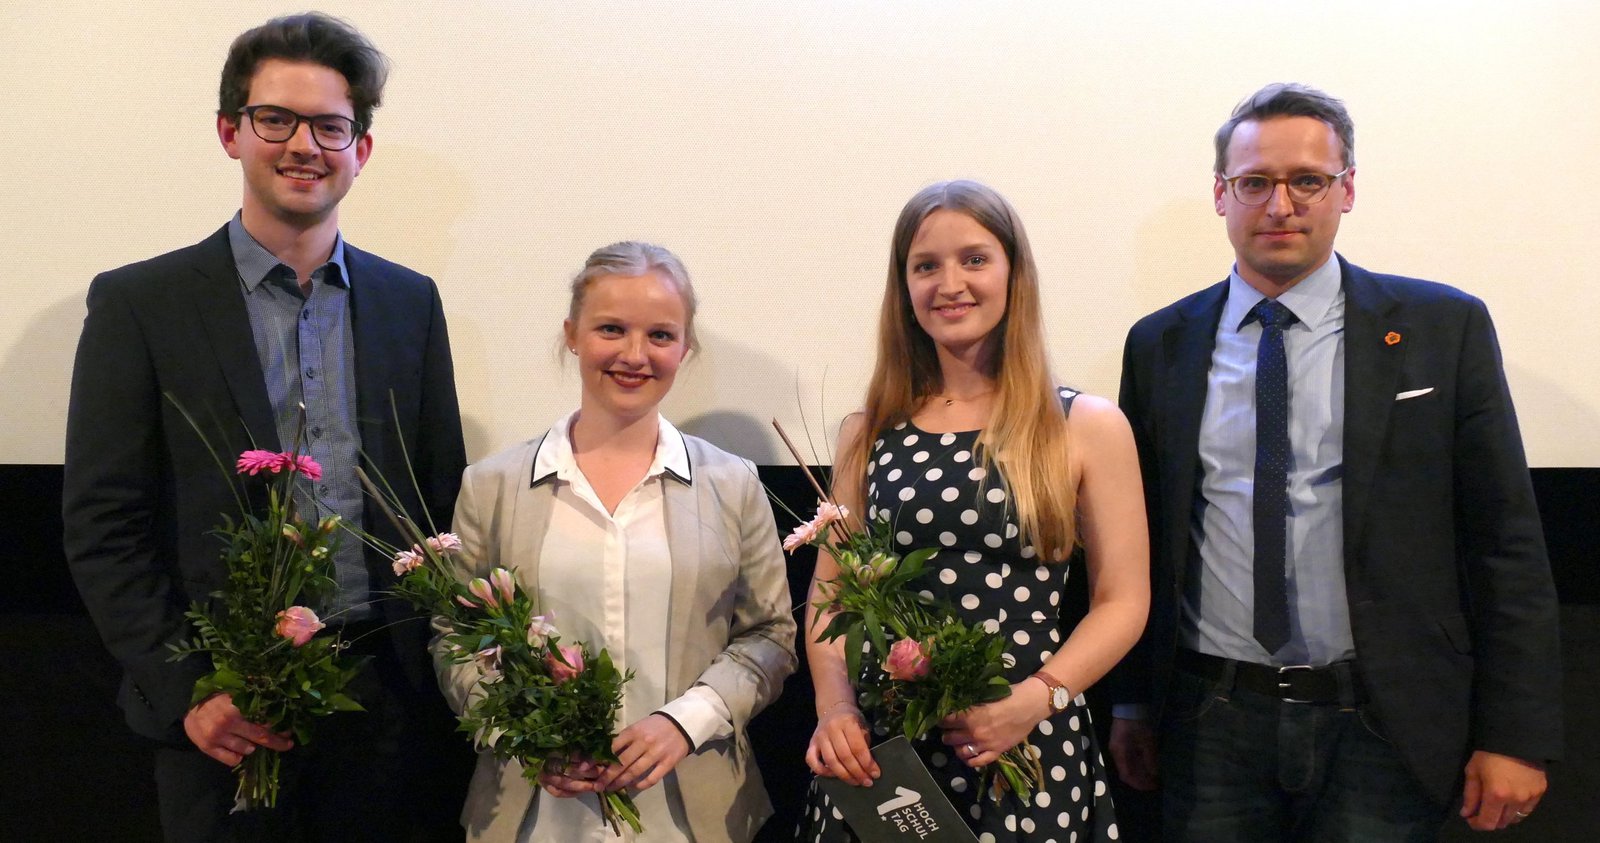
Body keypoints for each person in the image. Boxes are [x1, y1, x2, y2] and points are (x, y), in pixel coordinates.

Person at [1106, 83, 1563, 840]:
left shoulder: (1442, 328)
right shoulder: (1160, 344)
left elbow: (1505, 542)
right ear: (1221, 195)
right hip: (1208, 718)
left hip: (1383, 719)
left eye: (1307, 181)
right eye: (1255, 182)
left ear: (1346, 189)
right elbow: (1137, 538)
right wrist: (1128, 703)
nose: (1280, 204)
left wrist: (1515, 732)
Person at [61, 13, 471, 842]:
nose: (302, 145)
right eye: (274, 119)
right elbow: (104, 524)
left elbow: (436, 500)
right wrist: (192, 693)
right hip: (223, 709)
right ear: (229, 132)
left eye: (330, 125)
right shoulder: (141, 304)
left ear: (360, 148)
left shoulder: (409, 302)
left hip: (384, 705)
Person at [796, 180, 1150, 841]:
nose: (949, 282)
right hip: (881, 759)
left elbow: (1123, 599)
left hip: (1024, 744)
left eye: (974, 259)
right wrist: (834, 707)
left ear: (1014, 273)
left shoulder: (1084, 424)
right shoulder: (867, 431)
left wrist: (1035, 699)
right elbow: (831, 594)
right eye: (925, 265)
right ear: (903, 287)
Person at [435, 241, 797, 842]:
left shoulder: (733, 485)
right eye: (611, 329)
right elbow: (455, 642)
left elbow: (769, 637)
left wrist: (686, 722)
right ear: (573, 333)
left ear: (685, 347)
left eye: (660, 335)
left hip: (693, 817)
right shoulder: (491, 486)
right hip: (534, 816)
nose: (635, 354)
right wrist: (526, 734)